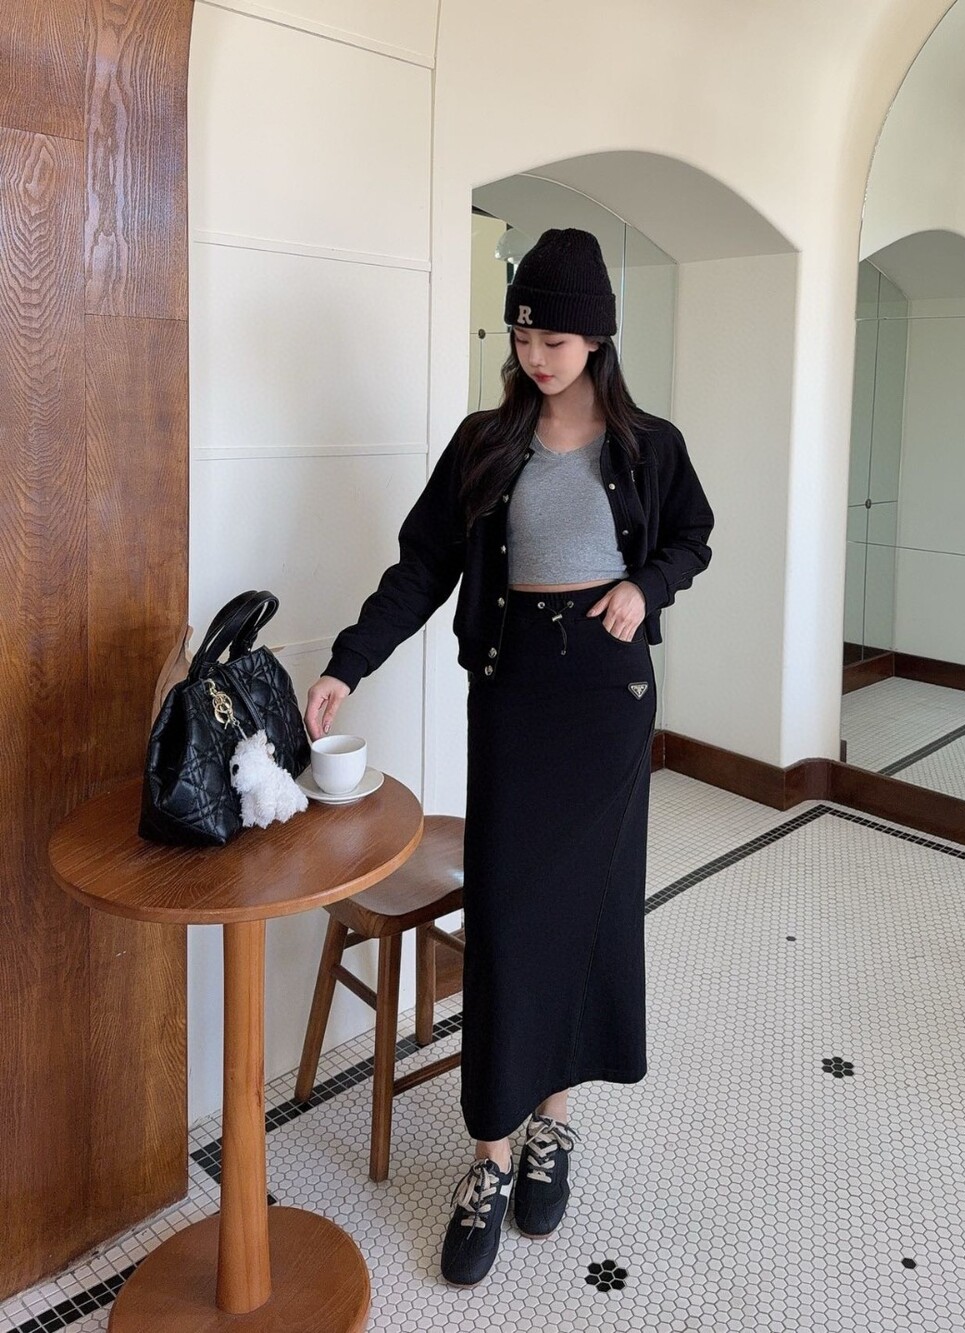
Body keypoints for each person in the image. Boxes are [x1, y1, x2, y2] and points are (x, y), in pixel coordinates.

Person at [304, 227, 714, 1286]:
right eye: (524, 335)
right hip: (517, 695)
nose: (537, 355)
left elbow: (691, 538)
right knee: (506, 918)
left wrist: (645, 589)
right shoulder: (486, 442)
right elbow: (422, 565)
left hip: (609, 704)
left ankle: (550, 1124)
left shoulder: (649, 446)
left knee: (583, 916)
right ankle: (487, 1153)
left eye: (557, 339)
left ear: (598, 340)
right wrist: (349, 663)